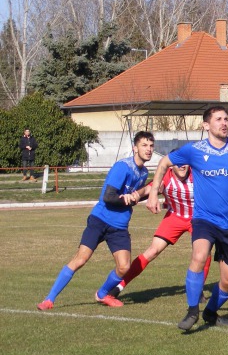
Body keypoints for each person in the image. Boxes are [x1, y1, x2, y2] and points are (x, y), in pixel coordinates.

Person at [146, 106, 228, 330]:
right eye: (219, 119)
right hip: (204, 219)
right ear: (206, 125)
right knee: (199, 255)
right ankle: (192, 311)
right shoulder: (194, 150)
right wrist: (154, 191)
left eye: (226, 119)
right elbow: (165, 162)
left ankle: (211, 312)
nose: (224, 123)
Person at [37, 131, 155, 310]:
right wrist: (127, 198)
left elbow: (134, 197)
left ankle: (102, 294)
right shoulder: (122, 167)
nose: (148, 149)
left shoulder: (143, 172)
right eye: (144, 145)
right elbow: (109, 197)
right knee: (81, 259)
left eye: (151, 146)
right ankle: (49, 299)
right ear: (135, 148)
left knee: (124, 267)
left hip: (119, 226)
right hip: (100, 220)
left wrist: (152, 192)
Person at [104, 159, 212, 304]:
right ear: (171, 166)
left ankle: (198, 291)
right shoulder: (166, 176)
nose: (181, 166)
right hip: (175, 217)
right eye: (177, 163)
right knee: (152, 251)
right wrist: (135, 195)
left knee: (204, 253)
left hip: (199, 219)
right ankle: (117, 288)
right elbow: (149, 189)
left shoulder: (198, 174)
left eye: (185, 163)